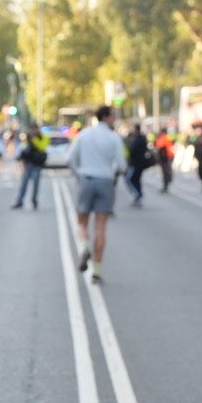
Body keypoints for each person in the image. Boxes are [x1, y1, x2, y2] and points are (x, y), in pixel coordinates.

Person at [68, 105, 126, 284]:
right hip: (105, 181)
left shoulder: (84, 135)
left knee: (82, 222)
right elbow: (121, 165)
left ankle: (84, 247)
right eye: (113, 116)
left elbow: (70, 159)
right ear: (106, 117)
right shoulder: (114, 138)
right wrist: (112, 173)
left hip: (86, 179)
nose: (114, 120)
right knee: (101, 227)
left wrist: (79, 174)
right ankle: (97, 271)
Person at [12, 125, 48, 209]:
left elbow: (42, 147)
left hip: (37, 164)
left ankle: (34, 201)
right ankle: (19, 201)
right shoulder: (28, 137)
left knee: (35, 184)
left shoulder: (42, 137)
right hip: (28, 164)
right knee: (24, 184)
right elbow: (25, 148)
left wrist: (34, 139)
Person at [125, 123, 149, 207]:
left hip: (135, 163)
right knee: (137, 180)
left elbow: (132, 150)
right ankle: (138, 196)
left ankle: (137, 194)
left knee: (129, 179)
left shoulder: (137, 139)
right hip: (140, 163)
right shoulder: (142, 138)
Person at [154, 128, 175, 192]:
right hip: (168, 157)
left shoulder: (164, 138)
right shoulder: (167, 137)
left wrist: (157, 139)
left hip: (165, 158)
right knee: (166, 171)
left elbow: (158, 145)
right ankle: (166, 184)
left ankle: (166, 184)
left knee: (166, 172)